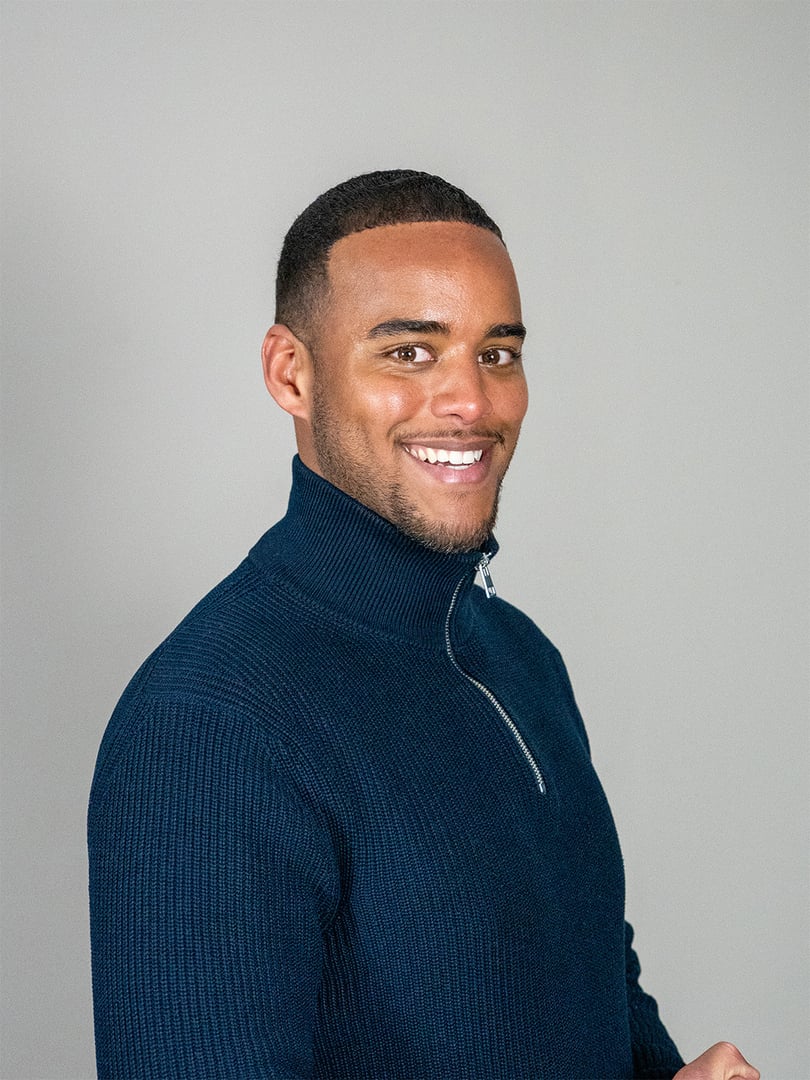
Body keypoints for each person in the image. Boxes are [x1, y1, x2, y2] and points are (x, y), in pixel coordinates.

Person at [88, 170, 759, 1080]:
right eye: (409, 352)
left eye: (498, 353)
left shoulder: (517, 657)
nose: (472, 404)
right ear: (292, 373)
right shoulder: (211, 728)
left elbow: (589, 987)